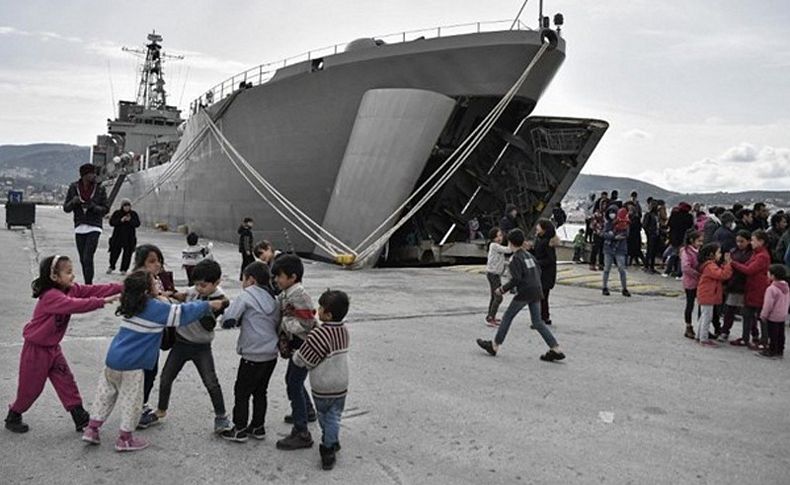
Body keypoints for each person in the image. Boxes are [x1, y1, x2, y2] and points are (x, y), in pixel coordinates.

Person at [81, 271, 222, 452]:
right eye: (155, 282)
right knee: (133, 401)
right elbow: (181, 313)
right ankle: (125, 439)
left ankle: (92, 429)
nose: (159, 283)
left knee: (105, 395)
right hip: (133, 365)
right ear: (147, 290)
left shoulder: (133, 304)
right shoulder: (154, 307)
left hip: (113, 360)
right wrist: (207, 305)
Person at [5, 255, 122, 434]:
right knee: (30, 389)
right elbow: (75, 305)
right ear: (54, 277)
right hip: (36, 350)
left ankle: (79, 416)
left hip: (53, 349)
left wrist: (123, 286)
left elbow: (94, 289)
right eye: (68, 273)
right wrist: (102, 302)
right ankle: (14, 414)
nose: (73, 276)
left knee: (66, 382)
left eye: (72, 272)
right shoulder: (51, 296)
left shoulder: (70, 289)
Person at [150, 260, 231, 433]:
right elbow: (185, 294)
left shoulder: (218, 298)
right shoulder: (194, 291)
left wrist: (213, 304)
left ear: (216, 283)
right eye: (197, 284)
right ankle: (161, 410)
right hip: (181, 343)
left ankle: (221, 416)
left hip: (201, 346)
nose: (199, 288)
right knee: (166, 378)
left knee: (211, 382)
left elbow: (209, 320)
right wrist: (172, 294)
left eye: (203, 285)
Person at [476, 229, 565, 361]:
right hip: (536, 289)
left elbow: (516, 279)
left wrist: (502, 289)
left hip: (525, 292)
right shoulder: (528, 255)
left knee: (507, 317)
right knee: (538, 322)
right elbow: (538, 270)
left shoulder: (515, 259)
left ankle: (494, 345)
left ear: (510, 242)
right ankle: (555, 348)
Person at [219, 262, 281, 442]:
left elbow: (229, 318)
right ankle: (258, 426)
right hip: (271, 354)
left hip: (252, 354)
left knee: (242, 392)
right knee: (261, 391)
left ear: (251, 279)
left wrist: (227, 319)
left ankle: (239, 429)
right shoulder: (274, 299)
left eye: (243, 279)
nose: (242, 282)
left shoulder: (246, 295)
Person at [293, 290, 351, 470]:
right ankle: (332, 439)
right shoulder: (344, 331)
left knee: (325, 416)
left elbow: (304, 359)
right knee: (335, 415)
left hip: (324, 385)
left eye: (321, 308)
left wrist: (295, 355)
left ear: (328, 314)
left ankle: (328, 448)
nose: (318, 310)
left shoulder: (319, 334)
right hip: (341, 383)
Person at [273, 255, 319, 450]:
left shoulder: (299, 294)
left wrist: (285, 323)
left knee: (293, 383)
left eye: (279, 276)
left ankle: (302, 432)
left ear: (292, 277)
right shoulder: (288, 292)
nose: (276, 280)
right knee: (294, 381)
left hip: (304, 347)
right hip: (298, 346)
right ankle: (306, 410)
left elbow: (307, 323)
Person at [134, 244, 178, 429]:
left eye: (159, 260)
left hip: (155, 335)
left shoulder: (157, 279)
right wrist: (162, 298)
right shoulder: (138, 282)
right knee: (144, 372)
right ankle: (137, 409)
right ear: (141, 264)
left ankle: (140, 405)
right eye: (152, 261)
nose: (157, 264)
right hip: (143, 336)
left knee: (151, 372)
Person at [63, 163, 109, 284]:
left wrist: (93, 207)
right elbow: (66, 208)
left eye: (94, 173)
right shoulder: (73, 188)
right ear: (84, 175)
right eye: (91, 173)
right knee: (83, 259)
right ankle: (87, 282)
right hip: (79, 226)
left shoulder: (100, 188)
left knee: (88, 256)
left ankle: (89, 284)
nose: (94, 176)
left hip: (94, 226)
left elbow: (105, 209)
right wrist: (73, 202)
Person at [729, 230, 771, 349]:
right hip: (751, 287)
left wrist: (733, 263)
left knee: (761, 315)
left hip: (759, 288)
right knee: (747, 313)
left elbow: (749, 270)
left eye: (753, 240)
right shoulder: (755, 253)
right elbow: (747, 266)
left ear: (761, 241)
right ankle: (745, 337)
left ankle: (764, 340)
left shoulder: (762, 256)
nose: (751, 243)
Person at [695, 243, 732, 346]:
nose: (720, 255)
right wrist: (728, 264)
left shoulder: (709, 265)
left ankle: (699, 336)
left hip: (706, 294)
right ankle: (704, 338)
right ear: (712, 254)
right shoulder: (710, 266)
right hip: (708, 294)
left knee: (704, 316)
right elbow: (722, 275)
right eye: (719, 252)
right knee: (707, 317)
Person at [721, 231, 753, 342]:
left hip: (746, 285)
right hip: (734, 284)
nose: (739, 244)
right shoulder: (733, 251)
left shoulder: (752, 254)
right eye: (737, 241)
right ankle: (725, 331)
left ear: (748, 241)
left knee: (748, 313)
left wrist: (733, 263)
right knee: (730, 309)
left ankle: (753, 333)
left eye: (742, 241)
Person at [532, 219, 559, 325]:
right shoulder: (539, 239)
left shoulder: (548, 242)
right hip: (541, 273)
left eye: (538, 226)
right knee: (541, 297)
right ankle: (544, 317)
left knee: (541, 297)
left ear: (544, 229)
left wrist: (537, 262)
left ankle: (541, 319)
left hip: (546, 274)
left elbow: (550, 259)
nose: (536, 228)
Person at [759, 264, 789, 358]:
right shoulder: (786, 287)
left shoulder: (772, 289)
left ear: (773, 275)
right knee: (780, 333)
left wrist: (764, 315)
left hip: (773, 315)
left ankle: (771, 350)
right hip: (783, 314)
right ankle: (780, 350)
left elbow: (768, 304)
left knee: (772, 334)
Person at [485, 228, 512, 326]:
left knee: (494, 296)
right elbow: (508, 250)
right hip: (493, 275)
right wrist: (511, 241)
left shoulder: (497, 246)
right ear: (493, 238)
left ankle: (490, 316)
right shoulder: (494, 246)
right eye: (497, 236)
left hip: (495, 275)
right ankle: (491, 318)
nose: (500, 238)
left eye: (501, 235)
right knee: (498, 297)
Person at [602, 207, 631, 297]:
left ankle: (624, 288)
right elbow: (604, 234)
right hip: (609, 248)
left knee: (621, 269)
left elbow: (626, 234)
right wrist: (614, 237)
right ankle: (604, 287)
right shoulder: (608, 224)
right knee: (607, 269)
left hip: (620, 249)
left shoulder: (624, 223)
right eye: (610, 212)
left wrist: (613, 235)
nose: (612, 214)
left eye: (614, 212)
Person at [680, 231, 704, 339]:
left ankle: (702, 327)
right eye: (699, 241)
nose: (700, 243)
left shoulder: (698, 251)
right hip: (690, 282)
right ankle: (688, 326)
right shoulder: (686, 252)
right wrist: (697, 274)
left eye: (701, 241)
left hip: (700, 282)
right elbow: (686, 267)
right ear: (692, 240)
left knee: (702, 305)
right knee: (690, 304)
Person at [106, 199, 140, 275]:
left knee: (127, 254)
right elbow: (112, 223)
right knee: (114, 252)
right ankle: (111, 266)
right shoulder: (117, 213)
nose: (127, 208)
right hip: (117, 237)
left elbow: (137, 224)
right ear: (122, 206)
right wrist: (121, 220)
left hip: (129, 238)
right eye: (125, 206)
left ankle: (124, 269)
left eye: (128, 206)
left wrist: (130, 220)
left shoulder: (133, 214)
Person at [665, 202, 694, 278]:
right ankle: (679, 273)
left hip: (674, 238)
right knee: (682, 256)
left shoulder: (674, 215)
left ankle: (667, 271)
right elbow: (691, 227)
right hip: (683, 238)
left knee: (673, 254)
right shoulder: (689, 217)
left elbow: (669, 225)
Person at [642, 200, 660, 274]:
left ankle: (652, 266)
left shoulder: (656, 215)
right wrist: (649, 232)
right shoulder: (648, 215)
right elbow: (644, 225)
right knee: (650, 250)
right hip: (651, 234)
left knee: (654, 251)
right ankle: (646, 266)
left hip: (656, 234)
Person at [625, 201, 644, 266]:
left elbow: (637, 227)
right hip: (630, 236)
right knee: (632, 251)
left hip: (635, 236)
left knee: (636, 250)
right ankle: (631, 263)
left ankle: (644, 263)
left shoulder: (636, 218)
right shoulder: (628, 217)